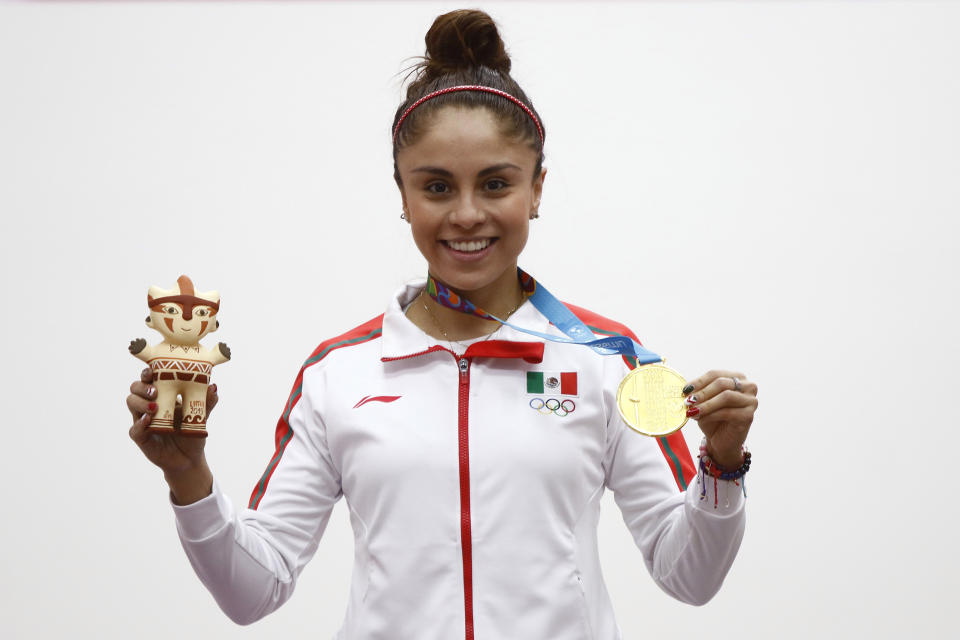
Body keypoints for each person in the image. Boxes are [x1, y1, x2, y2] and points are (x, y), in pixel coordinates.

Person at [125, 9, 759, 640]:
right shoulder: (338, 374)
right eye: (435, 187)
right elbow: (253, 592)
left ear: (536, 189)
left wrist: (722, 464)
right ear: (402, 196)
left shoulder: (605, 361)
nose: (466, 214)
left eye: (495, 184)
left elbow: (688, 578)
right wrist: (189, 477)